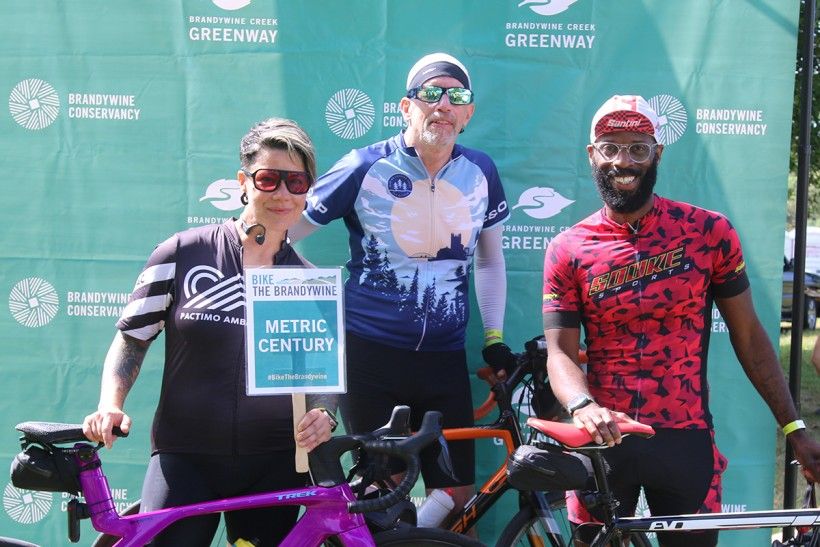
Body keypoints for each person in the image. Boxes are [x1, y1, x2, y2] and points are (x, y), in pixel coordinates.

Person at [541, 94, 820, 547]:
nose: (623, 161)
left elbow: (748, 337)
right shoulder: (568, 248)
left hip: (685, 439)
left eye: (638, 147)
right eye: (610, 147)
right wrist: (581, 406)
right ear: (592, 154)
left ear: (658, 152)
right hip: (602, 441)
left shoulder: (708, 232)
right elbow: (560, 354)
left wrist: (795, 429)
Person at [82, 118, 337, 547]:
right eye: (268, 179)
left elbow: (320, 378)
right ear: (243, 181)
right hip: (185, 458)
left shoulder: (309, 281)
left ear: (307, 189)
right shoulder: (182, 252)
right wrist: (111, 403)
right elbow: (132, 338)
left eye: (295, 182)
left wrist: (325, 414)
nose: (282, 194)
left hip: (272, 466)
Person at [289, 52, 514, 520]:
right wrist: (322, 286)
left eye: (457, 96)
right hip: (372, 356)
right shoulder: (363, 165)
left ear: (469, 113)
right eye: (430, 93)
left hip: (445, 360)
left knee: (456, 505)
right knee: (386, 502)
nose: (444, 104)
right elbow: (283, 234)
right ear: (405, 107)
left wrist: (493, 338)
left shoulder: (482, 171)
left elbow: (490, 261)